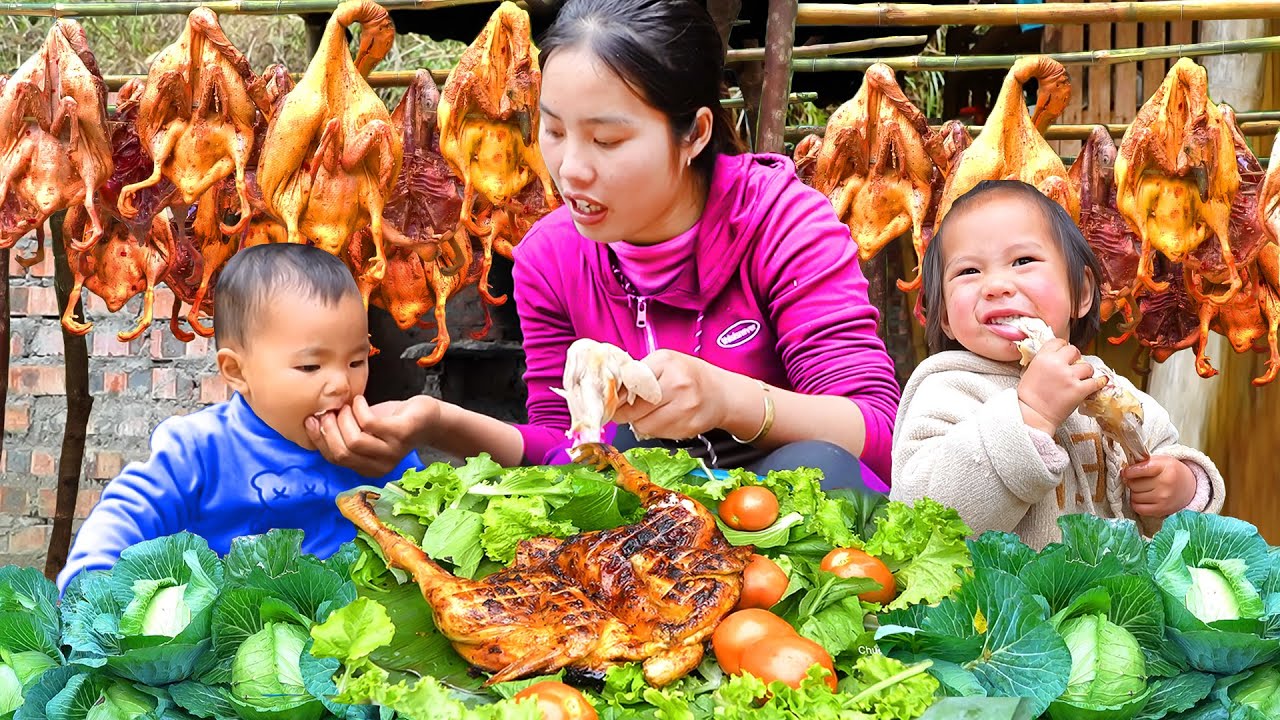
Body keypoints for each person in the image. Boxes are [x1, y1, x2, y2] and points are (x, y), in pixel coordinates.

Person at [305, 0, 900, 492]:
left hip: (795, 526)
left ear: (693, 133)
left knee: (828, 470)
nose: (571, 170)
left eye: (607, 140)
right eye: (555, 131)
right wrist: (440, 422)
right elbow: (568, 452)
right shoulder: (550, 258)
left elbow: (879, 438)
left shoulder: (782, 223)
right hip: (640, 541)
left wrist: (733, 401)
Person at [56, 244, 424, 592]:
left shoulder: (379, 447)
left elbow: (431, 520)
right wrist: (91, 584)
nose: (342, 384)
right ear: (236, 371)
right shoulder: (199, 449)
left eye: (357, 361)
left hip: (360, 643)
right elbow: (126, 515)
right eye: (311, 365)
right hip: (230, 646)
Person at [890, 180, 1224, 548]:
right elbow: (921, 520)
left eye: (1023, 261)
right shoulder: (944, 390)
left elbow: (1163, 450)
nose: (996, 285)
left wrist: (1182, 488)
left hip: (1115, 601)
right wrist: (1030, 416)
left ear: (1080, 293)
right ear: (945, 319)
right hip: (999, 605)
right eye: (969, 272)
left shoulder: (1102, 382)